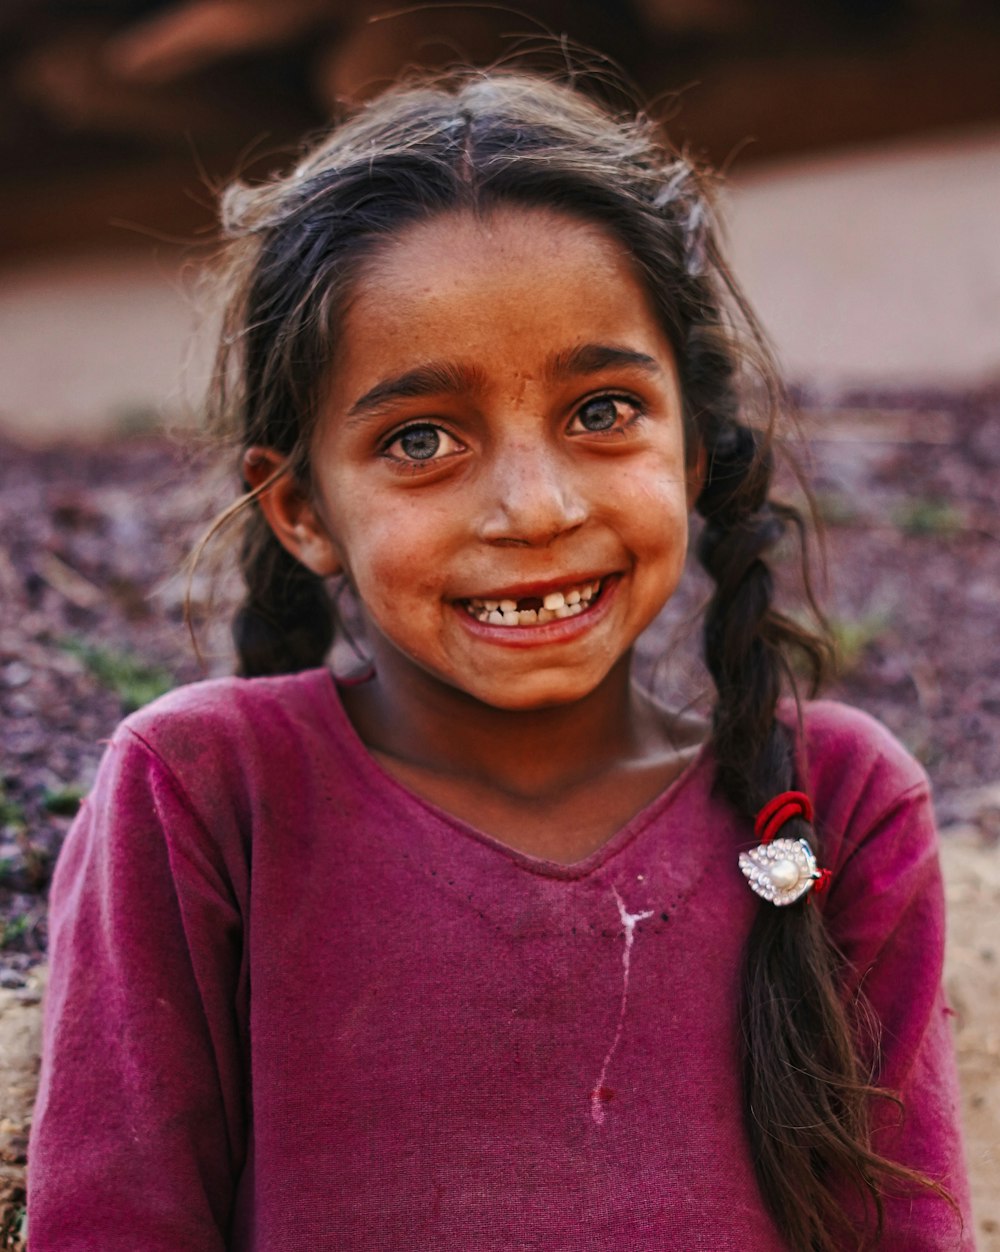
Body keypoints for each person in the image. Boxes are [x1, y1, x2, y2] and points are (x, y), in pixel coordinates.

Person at [27, 70, 973, 1251]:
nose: (532, 507)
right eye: (420, 439)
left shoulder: (832, 805)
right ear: (300, 507)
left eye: (601, 411)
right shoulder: (207, 793)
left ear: (691, 451)